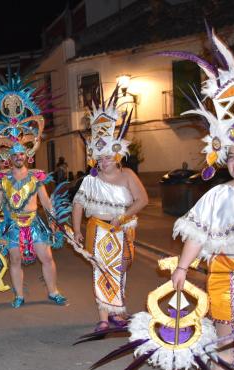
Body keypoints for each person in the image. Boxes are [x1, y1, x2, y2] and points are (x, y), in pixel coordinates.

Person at [168, 32, 234, 370]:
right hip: (225, 277)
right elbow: (197, 235)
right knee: (225, 347)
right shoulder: (217, 194)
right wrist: (183, 269)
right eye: (232, 155)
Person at [0, 69, 68, 308]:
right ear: (8, 158)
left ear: (28, 156)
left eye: (21, 154)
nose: (18, 157)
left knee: (46, 257)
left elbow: (45, 202)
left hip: (34, 223)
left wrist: (55, 220)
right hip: (13, 225)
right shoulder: (3, 179)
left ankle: (53, 291)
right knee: (14, 260)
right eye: (13, 154)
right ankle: (19, 295)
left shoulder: (37, 178)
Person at [72, 85, 148, 332]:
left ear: (117, 154)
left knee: (120, 269)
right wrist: (76, 230)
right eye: (99, 157)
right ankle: (104, 317)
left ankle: (119, 310)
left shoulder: (128, 175)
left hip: (122, 229)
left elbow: (142, 200)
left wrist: (123, 216)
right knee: (100, 270)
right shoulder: (90, 180)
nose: (103, 161)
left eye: (107, 156)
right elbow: (78, 204)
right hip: (98, 228)